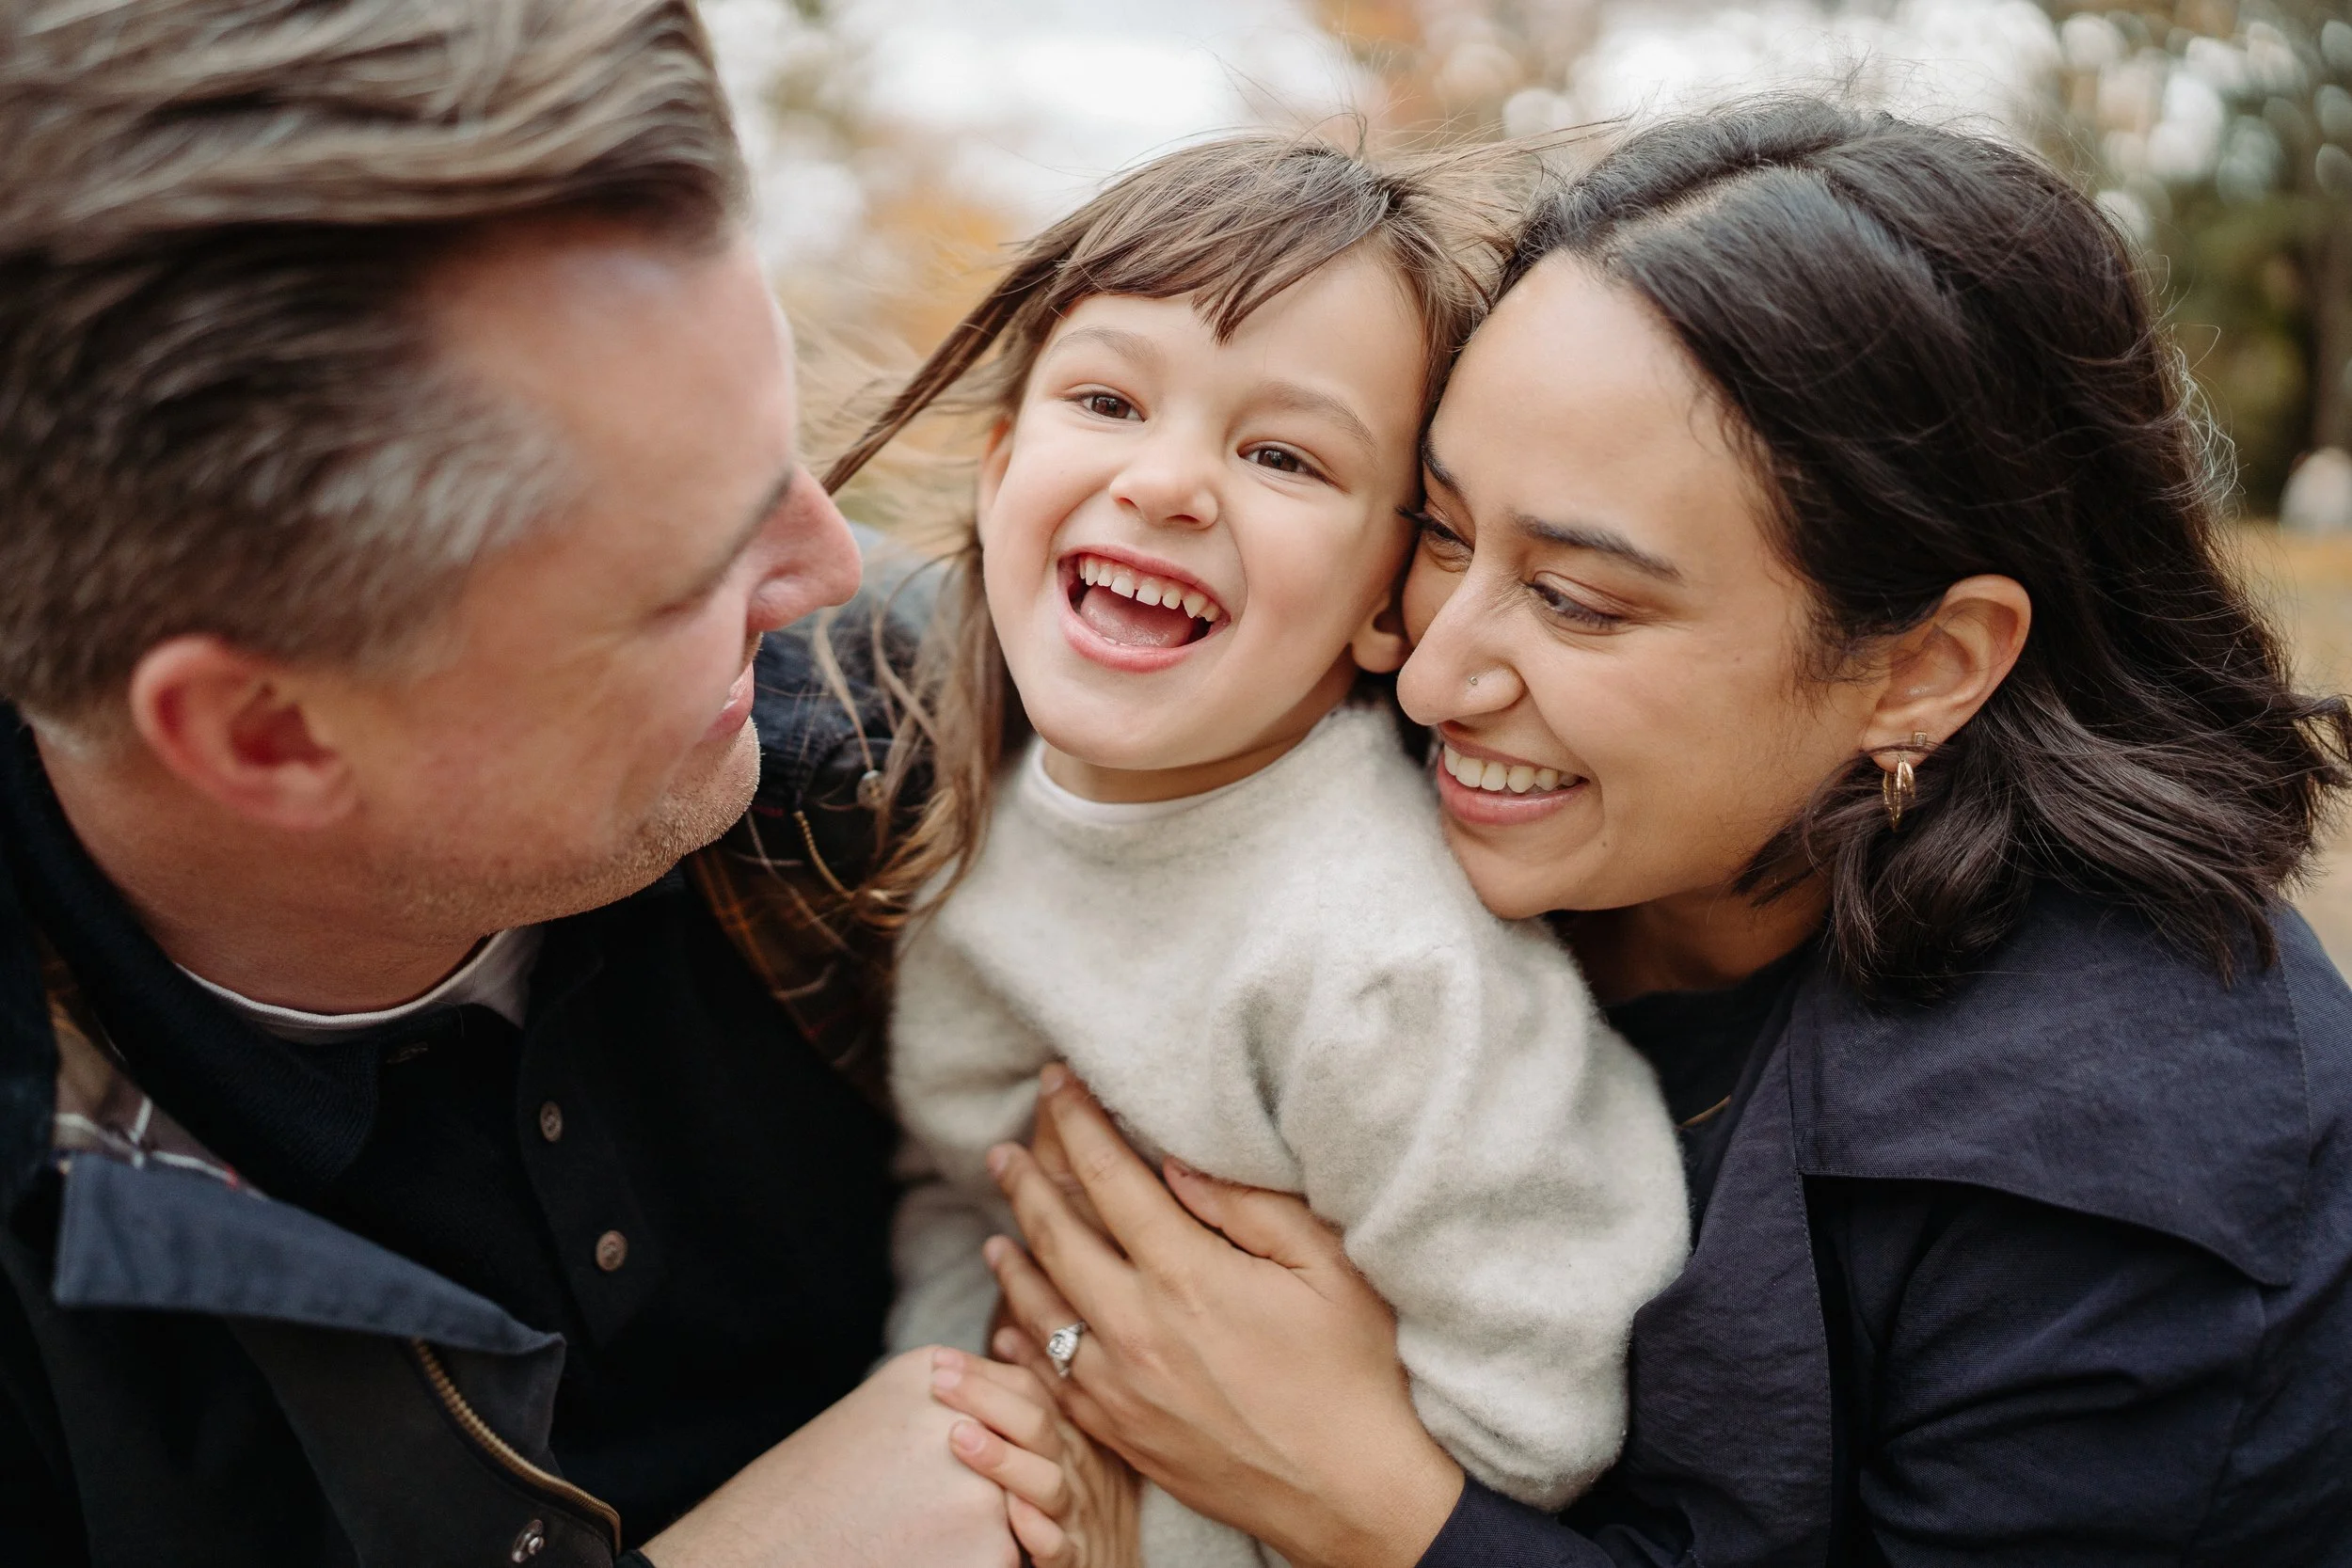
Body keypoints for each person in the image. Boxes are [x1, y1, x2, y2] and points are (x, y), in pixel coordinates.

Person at [957, 100, 2352, 1565]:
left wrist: (1370, 1502)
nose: (1430, 676)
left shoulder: (2149, 1183)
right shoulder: (1343, 751)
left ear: (1922, 668)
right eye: (1442, 532)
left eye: (1579, 600)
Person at [0, 2, 1018, 1564]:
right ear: (266, 732)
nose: (826, 570)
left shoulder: (949, 751)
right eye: (692, 570)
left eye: (792, 455)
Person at [824, 137, 1688, 1568]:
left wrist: (1154, 1526)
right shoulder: (982, 828)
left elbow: (1539, 1402)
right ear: (999, 469)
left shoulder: (1383, 960)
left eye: (1282, 453)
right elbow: (963, 1205)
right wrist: (1002, 1445)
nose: (1165, 483)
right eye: (1106, 399)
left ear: (1385, 601)